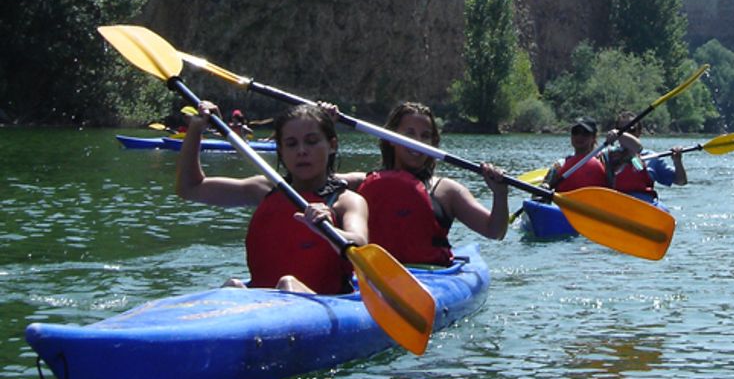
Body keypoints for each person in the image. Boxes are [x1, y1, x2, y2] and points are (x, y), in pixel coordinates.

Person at [175, 101, 368, 295]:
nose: (301, 151)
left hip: (324, 305)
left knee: (288, 283)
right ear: (281, 152)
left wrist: (329, 230)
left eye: (311, 141)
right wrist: (195, 130)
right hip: (263, 305)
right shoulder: (263, 189)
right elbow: (190, 188)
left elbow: (361, 248)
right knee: (233, 286)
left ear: (332, 145)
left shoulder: (346, 201)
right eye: (291, 144)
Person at [340, 101, 508, 267]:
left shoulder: (446, 191)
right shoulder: (361, 182)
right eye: (410, 133)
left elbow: (495, 231)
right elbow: (318, 180)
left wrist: (499, 194)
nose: (417, 141)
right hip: (373, 275)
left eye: (425, 135)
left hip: (429, 278)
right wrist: (325, 122)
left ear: (432, 143)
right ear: (391, 138)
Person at [605, 111, 684, 202]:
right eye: (622, 130)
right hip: (616, 203)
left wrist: (677, 161)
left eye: (631, 129)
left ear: (639, 132)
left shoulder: (651, 157)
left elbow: (681, 181)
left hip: (643, 204)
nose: (625, 134)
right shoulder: (608, 155)